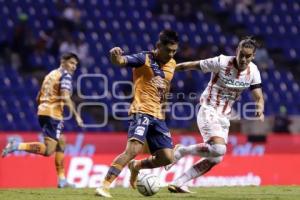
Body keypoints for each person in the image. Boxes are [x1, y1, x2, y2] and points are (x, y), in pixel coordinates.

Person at [166, 37, 265, 193]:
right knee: (219, 149)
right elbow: (192, 65)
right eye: (242, 55)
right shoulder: (222, 62)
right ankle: (181, 151)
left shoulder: (253, 71)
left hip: (224, 116)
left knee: (216, 158)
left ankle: (179, 182)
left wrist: (260, 107)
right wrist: (169, 69)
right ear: (236, 52)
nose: (244, 59)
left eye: (248, 56)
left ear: (253, 56)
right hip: (208, 109)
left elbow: (258, 96)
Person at [95, 29, 179, 198]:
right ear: (158, 46)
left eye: (174, 51)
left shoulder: (172, 64)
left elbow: (166, 88)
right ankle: (104, 186)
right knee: (133, 149)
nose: (171, 54)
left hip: (158, 116)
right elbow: (120, 61)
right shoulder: (144, 58)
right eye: (168, 50)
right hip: (141, 111)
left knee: (167, 157)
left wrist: (164, 108)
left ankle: (137, 166)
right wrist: (114, 55)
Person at [2, 52, 83, 188]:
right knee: (48, 151)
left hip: (43, 111)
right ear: (63, 62)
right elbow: (65, 97)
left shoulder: (50, 74)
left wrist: (43, 108)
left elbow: (38, 96)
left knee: (61, 141)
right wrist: (76, 115)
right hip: (53, 114)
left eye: (75, 64)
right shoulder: (66, 76)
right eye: (71, 63)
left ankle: (62, 180)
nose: (74, 67)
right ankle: (16, 145)